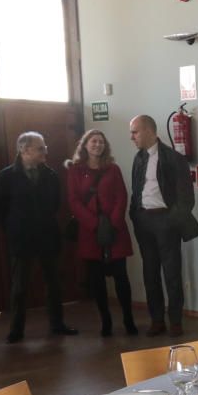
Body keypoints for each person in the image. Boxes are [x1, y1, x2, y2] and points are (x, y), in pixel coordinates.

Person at [0, 131, 76, 343]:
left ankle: (57, 324)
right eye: (40, 148)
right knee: (20, 287)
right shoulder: (6, 177)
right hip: (21, 239)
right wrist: (13, 228)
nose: (45, 151)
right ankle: (16, 330)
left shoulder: (50, 175)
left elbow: (55, 204)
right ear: (24, 150)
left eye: (44, 147)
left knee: (54, 284)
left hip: (47, 236)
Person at [129, 115, 198, 338]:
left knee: (171, 273)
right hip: (144, 221)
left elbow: (186, 199)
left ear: (150, 131)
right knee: (149, 273)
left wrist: (171, 221)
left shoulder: (173, 158)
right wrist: (135, 216)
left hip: (166, 221)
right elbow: (137, 190)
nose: (131, 137)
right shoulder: (138, 158)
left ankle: (175, 321)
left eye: (135, 132)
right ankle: (157, 320)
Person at [66, 129, 138, 337]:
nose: (98, 145)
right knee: (97, 281)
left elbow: (122, 196)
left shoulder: (113, 169)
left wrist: (113, 223)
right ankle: (105, 321)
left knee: (121, 279)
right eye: (93, 141)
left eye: (101, 142)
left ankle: (128, 320)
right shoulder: (75, 170)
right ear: (85, 145)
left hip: (115, 232)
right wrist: (93, 223)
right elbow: (74, 201)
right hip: (90, 233)